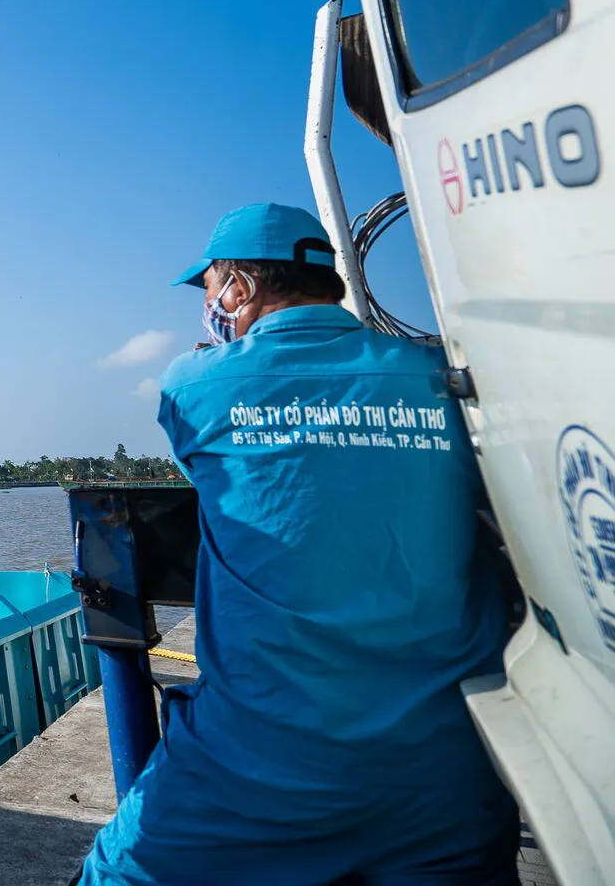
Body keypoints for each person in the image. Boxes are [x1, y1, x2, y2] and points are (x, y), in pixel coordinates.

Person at [80, 203, 519, 886]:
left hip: (254, 779)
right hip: (445, 787)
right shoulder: (440, 380)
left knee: (115, 871)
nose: (211, 305)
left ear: (242, 288)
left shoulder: (193, 384)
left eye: (212, 288)